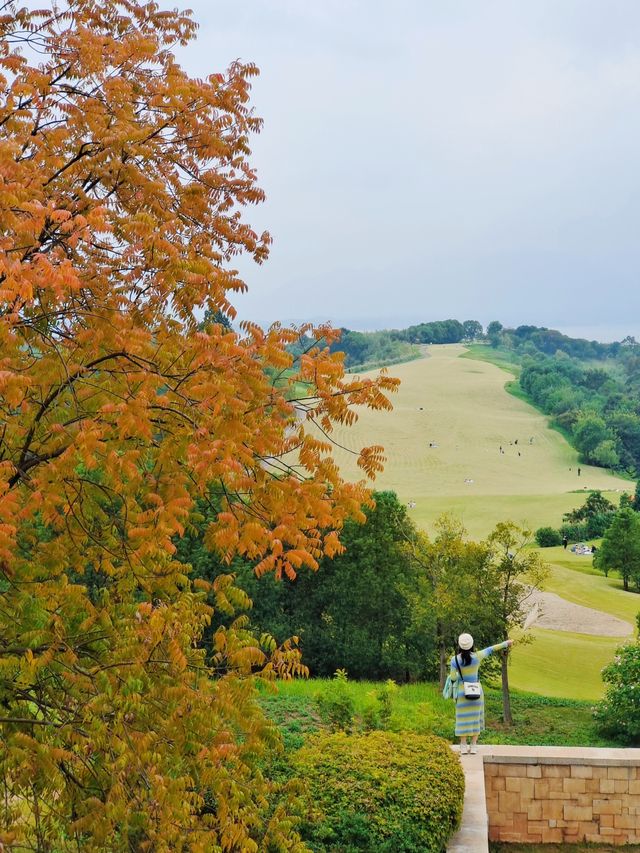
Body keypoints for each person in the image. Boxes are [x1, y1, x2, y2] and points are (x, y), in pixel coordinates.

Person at [450, 633, 513, 754]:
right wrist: (506, 643)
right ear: (472, 644)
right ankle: (473, 745)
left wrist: (459, 675)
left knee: (462, 719)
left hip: (462, 693)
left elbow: (453, 678)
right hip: (476, 692)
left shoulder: (454, 660)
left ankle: (463, 746)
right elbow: (491, 649)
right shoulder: (477, 656)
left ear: (459, 645)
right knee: (475, 718)